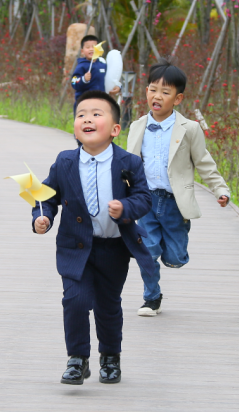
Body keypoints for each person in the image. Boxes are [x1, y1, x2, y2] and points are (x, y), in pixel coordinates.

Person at [33, 90, 153, 385]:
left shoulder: (128, 163)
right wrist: (43, 217)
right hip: (74, 246)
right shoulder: (65, 162)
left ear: (114, 129)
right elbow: (47, 196)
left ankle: (111, 357)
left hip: (113, 247)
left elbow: (144, 198)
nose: (87, 119)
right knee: (74, 300)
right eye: (81, 115)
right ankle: (77, 358)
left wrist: (125, 207)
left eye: (96, 114)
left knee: (108, 305)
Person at [126, 60, 231, 317]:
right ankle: (151, 298)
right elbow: (127, 163)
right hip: (146, 200)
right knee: (148, 252)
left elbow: (204, 162)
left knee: (174, 256)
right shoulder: (137, 126)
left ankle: (171, 246)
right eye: (152, 89)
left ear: (178, 98)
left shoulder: (190, 129)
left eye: (165, 92)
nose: (157, 96)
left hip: (174, 202)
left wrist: (220, 189)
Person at [70, 35, 119, 108]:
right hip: (84, 103)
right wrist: (84, 79)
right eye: (87, 47)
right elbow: (74, 82)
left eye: (94, 47)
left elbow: (111, 78)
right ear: (82, 51)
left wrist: (117, 86)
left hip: (101, 102)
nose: (91, 49)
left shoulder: (103, 65)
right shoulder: (81, 66)